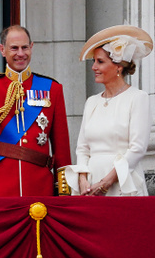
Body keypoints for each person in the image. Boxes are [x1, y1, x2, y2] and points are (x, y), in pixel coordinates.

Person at [0, 26, 71, 197]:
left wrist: (63, 190)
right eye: (14, 48)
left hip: (39, 187)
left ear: (32, 47)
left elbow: (61, 146)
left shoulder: (52, 88)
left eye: (25, 47)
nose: (20, 53)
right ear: (2, 50)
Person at [64, 25, 153, 196]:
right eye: (94, 61)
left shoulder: (137, 98)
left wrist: (106, 182)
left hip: (122, 183)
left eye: (100, 61)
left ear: (118, 67)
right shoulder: (92, 102)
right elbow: (82, 148)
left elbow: (137, 149)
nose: (94, 67)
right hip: (91, 185)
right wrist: (83, 180)